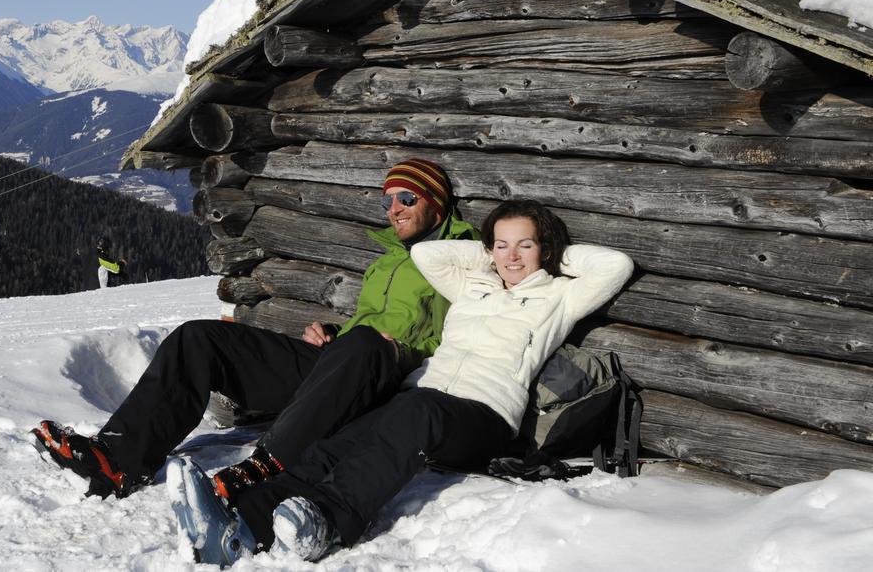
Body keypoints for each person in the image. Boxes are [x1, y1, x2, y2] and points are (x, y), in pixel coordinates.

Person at [169, 199, 634, 565]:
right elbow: (428, 253)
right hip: (424, 397)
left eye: (524, 245)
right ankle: (242, 524)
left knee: (417, 412)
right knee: (337, 444)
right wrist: (490, 257)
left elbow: (615, 266)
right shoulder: (474, 286)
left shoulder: (558, 297)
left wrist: (550, 257)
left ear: (546, 250)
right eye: (501, 245)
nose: (511, 256)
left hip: (485, 416)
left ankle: (329, 519)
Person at [32, 158, 479, 500]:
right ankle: (117, 458)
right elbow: (373, 322)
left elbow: (464, 328)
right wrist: (334, 332)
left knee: (362, 344)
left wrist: (405, 349)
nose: (394, 209)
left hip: (386, 377)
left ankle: (269, 470)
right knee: (199, 338)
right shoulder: (386, 261)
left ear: (434, 202)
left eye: (406, 198)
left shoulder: (463, 261)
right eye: (387, 201)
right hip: (340, 362)